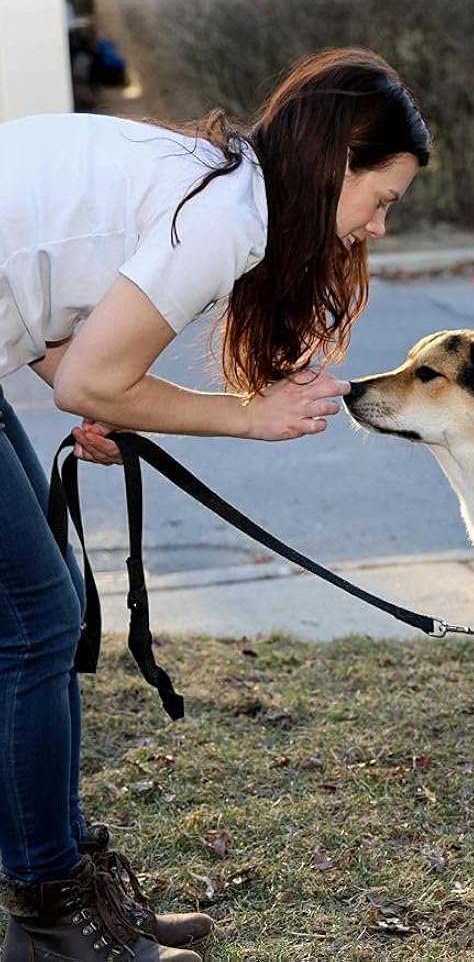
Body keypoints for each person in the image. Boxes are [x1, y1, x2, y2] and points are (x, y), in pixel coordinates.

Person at [0, 47, 430, 960]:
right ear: (334, 164)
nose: (380, 227)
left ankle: (62, 888)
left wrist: (97, 392)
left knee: (45, 617)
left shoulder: (223, 185)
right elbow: (88, 376)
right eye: (380, 198)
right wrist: (245, 416)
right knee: (36, 629)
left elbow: (50, 299)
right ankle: (50, 916)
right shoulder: (228, 221)